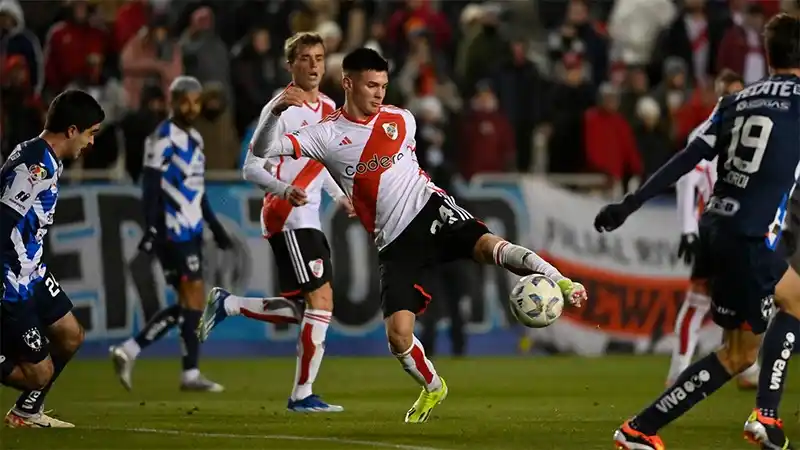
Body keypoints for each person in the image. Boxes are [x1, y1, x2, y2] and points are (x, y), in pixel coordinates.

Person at [251, 47, 588, 423]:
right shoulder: (325, 135)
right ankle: (433, 387)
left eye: (383, 85)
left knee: (489, 245)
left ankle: (561, 282)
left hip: (430, 211)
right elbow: (261, 149)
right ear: (348, 83)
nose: (379, 94)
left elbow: (408, 170)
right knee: (398, 336)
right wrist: (275, 110)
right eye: (371, 85)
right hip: (393, 244)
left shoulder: (401, 119)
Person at [595, 13, 800, 450]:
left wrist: (629, 204)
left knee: (779, 311)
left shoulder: (736, 101)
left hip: (717, 231)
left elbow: (686, 159)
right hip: (751, 237)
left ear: (768, 54)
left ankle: (644, 430)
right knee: (740, 353)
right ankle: (756, 416)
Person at [198, 32, 354, 413]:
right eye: (305, 58)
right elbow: (251, 166)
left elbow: (325, 162)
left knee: (308, 310)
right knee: (322, 302)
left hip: (308, 216)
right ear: (291, 65)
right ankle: (302, 395)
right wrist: (283, 189)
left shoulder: (330, 107)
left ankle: (229, 304)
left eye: (319, 57)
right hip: (287, 215)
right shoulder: (279, 107)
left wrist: (341, 196)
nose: (314, 65)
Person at [109, 76, 231, 393]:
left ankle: (144, 356)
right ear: (172, 102)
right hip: (171, 230)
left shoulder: (195, 139)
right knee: (192, 299)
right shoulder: (162, 138)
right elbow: (150, 187)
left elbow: (197, 192)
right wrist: (151, 228)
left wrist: (215, 227)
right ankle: (174, 367)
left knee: (191, 303)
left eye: (196, 101)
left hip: (191, 229)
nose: (191, 107)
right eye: (184, 101)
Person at [0, 90, 104, 427]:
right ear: (72, 130)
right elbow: (3, 221)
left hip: (32, 271)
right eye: (90, 133)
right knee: (37, 374)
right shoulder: (35, 165)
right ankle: (28, 401)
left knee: (71, 335)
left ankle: (26, 412)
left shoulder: (45, 159)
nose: (90, 143)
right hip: (10, 278)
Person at [668, 69, 761, 390]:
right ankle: (678, 371)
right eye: (726, 95)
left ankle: (746, 366)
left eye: (737, 94)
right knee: (698, 302)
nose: (732, 100)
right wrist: (688, 230)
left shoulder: (755, 130)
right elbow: (686, 181)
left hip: (747, 228)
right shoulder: (705, 133)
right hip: (716, 229)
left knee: (745, 297)